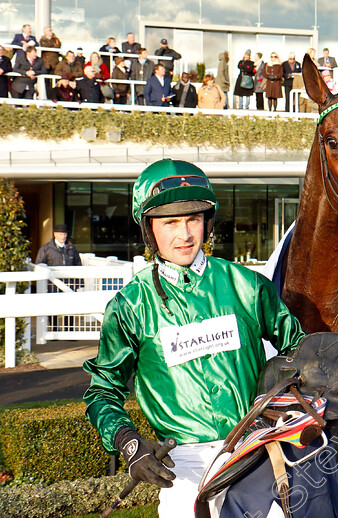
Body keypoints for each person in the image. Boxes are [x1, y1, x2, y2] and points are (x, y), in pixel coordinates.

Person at [83, 159, 306, 518]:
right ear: (149, 229)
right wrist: (129, 443)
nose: (184, 234)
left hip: (256, 452)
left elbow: (299, 349)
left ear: (207, 222)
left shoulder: (246, 285)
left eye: (193, 219)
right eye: (170, 222)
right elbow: (102, 391)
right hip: (182, 466)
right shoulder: (130, 305)